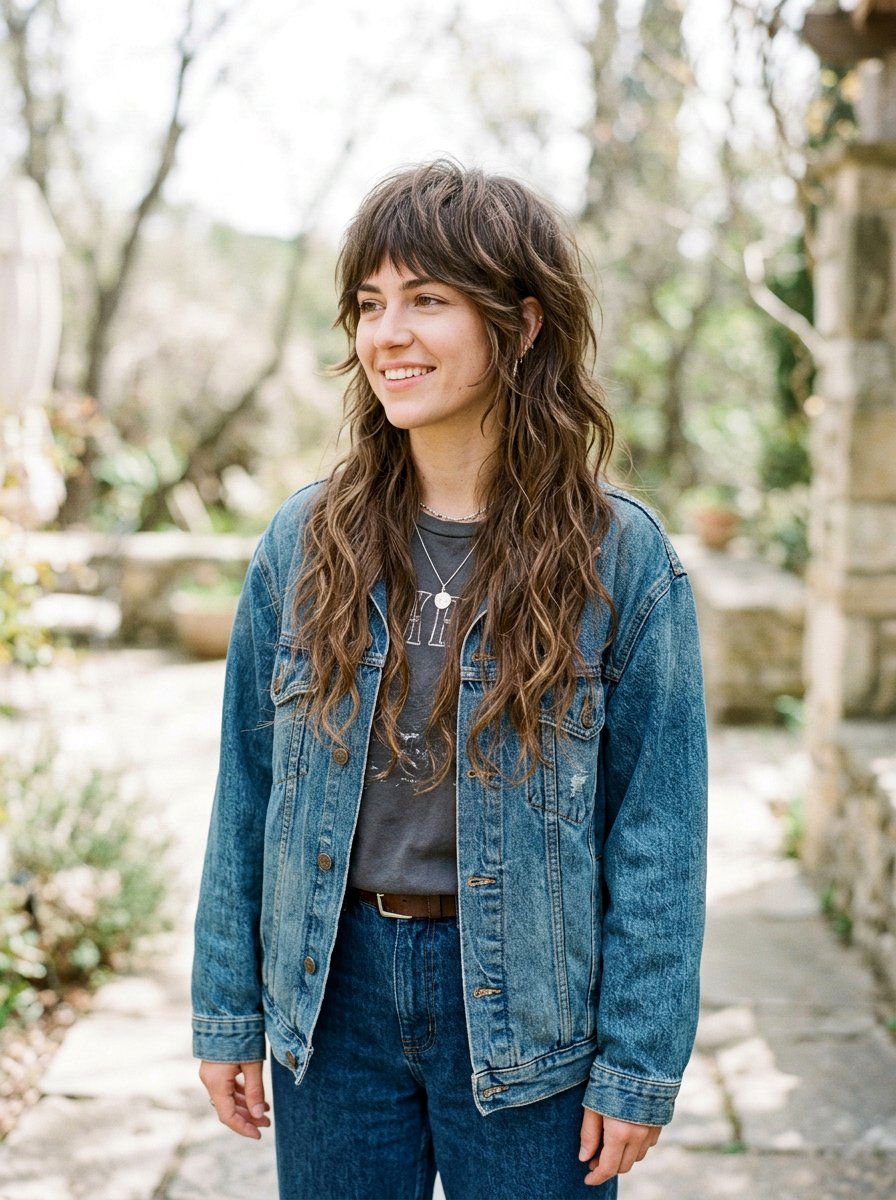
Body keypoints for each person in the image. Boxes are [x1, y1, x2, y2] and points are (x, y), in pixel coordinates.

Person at [191, 157, 708, 1200]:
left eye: (427, 301)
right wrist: (226, 1009)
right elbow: (246, 794)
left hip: (529, 1011)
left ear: (519, 326)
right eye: (370, 304)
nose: (387, 335)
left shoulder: (620, 561)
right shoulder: (302, 544)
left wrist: (638, 1064)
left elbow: (656, 830)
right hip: (332, 1007)